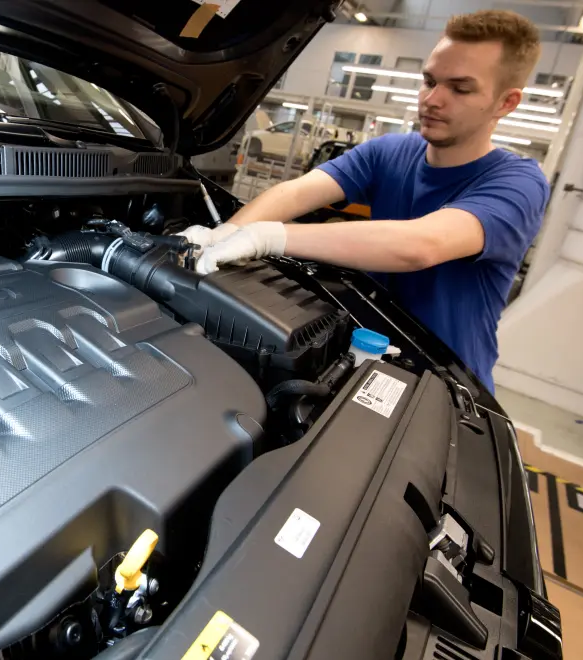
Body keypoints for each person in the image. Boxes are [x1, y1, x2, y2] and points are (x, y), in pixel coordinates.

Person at [181, 9, 551, 393]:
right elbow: (295, 192)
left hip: (446, 384)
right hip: (364, 355)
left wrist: (268, 236)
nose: (432, 99)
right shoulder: (390, 152)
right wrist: (226, 233)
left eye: (460, 88)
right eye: (429, 81)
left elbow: (422, 245)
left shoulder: (518, 182)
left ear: (507, 103)